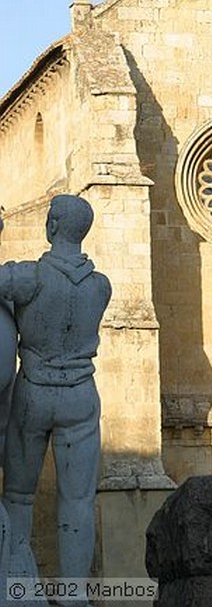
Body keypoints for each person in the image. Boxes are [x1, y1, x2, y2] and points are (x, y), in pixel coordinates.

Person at [0, 195, 111, 600]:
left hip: (35, 391)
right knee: (78, 499)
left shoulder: (28, 277)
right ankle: (75, 594)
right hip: (81, 395)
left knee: (18, 493)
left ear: (50, 226)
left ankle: (14, 581)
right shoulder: (101, 286)